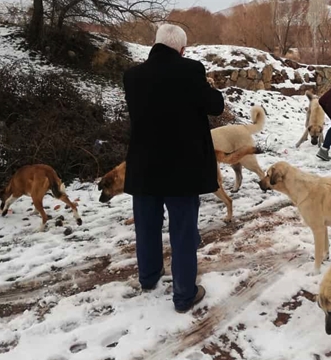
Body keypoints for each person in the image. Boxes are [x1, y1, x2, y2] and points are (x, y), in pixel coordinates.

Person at [122, 24, 225, 313]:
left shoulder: (131, 77)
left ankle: (149, 278)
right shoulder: (191, 71)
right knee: (182, 231)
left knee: (147, 227)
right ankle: (183, 296)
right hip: (182, 170)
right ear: (182, 50)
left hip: (143, 167)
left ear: (155, 44)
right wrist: (207, 86)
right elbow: (215, 106)